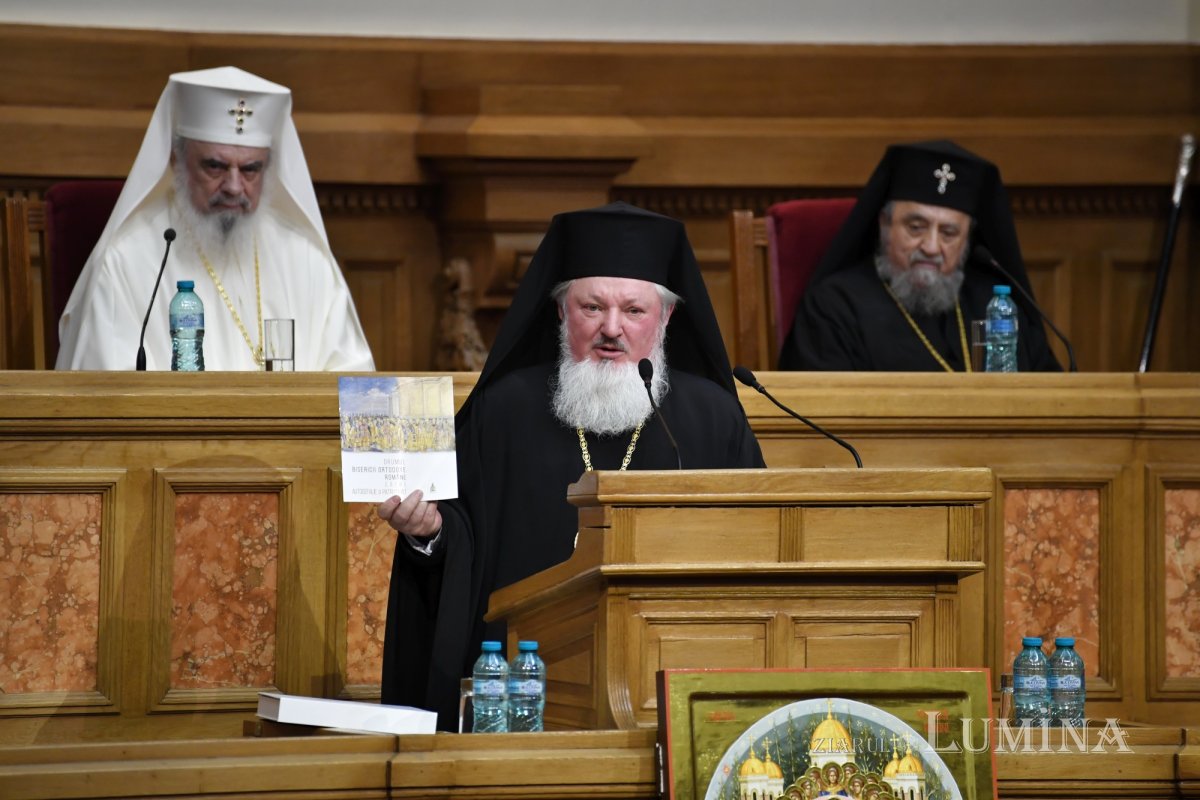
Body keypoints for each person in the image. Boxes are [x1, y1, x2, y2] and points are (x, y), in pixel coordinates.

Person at [376, 201, 765, 728]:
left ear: (667, 317)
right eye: (592, 307)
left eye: (634, 311)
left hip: (673, 689)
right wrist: (431, 533)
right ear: (561, 310)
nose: (612, 329)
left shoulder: (713, 419)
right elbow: (462, 540)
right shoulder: (503, 411)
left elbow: (755, 551)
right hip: (523, 695)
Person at [56, 66, 374, 371]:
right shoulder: (126, 261)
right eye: (215, 167)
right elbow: (110, 392)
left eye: (250, 169)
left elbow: (354, 378)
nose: (234, 187)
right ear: (176, 160)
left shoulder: (306, 259)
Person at [779, 140, 1061, 372]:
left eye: (949, 233)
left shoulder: (994, 302)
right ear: (885, 224)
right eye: (916, 227)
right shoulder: (834, 308)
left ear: (967, 239)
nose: (931, 246)